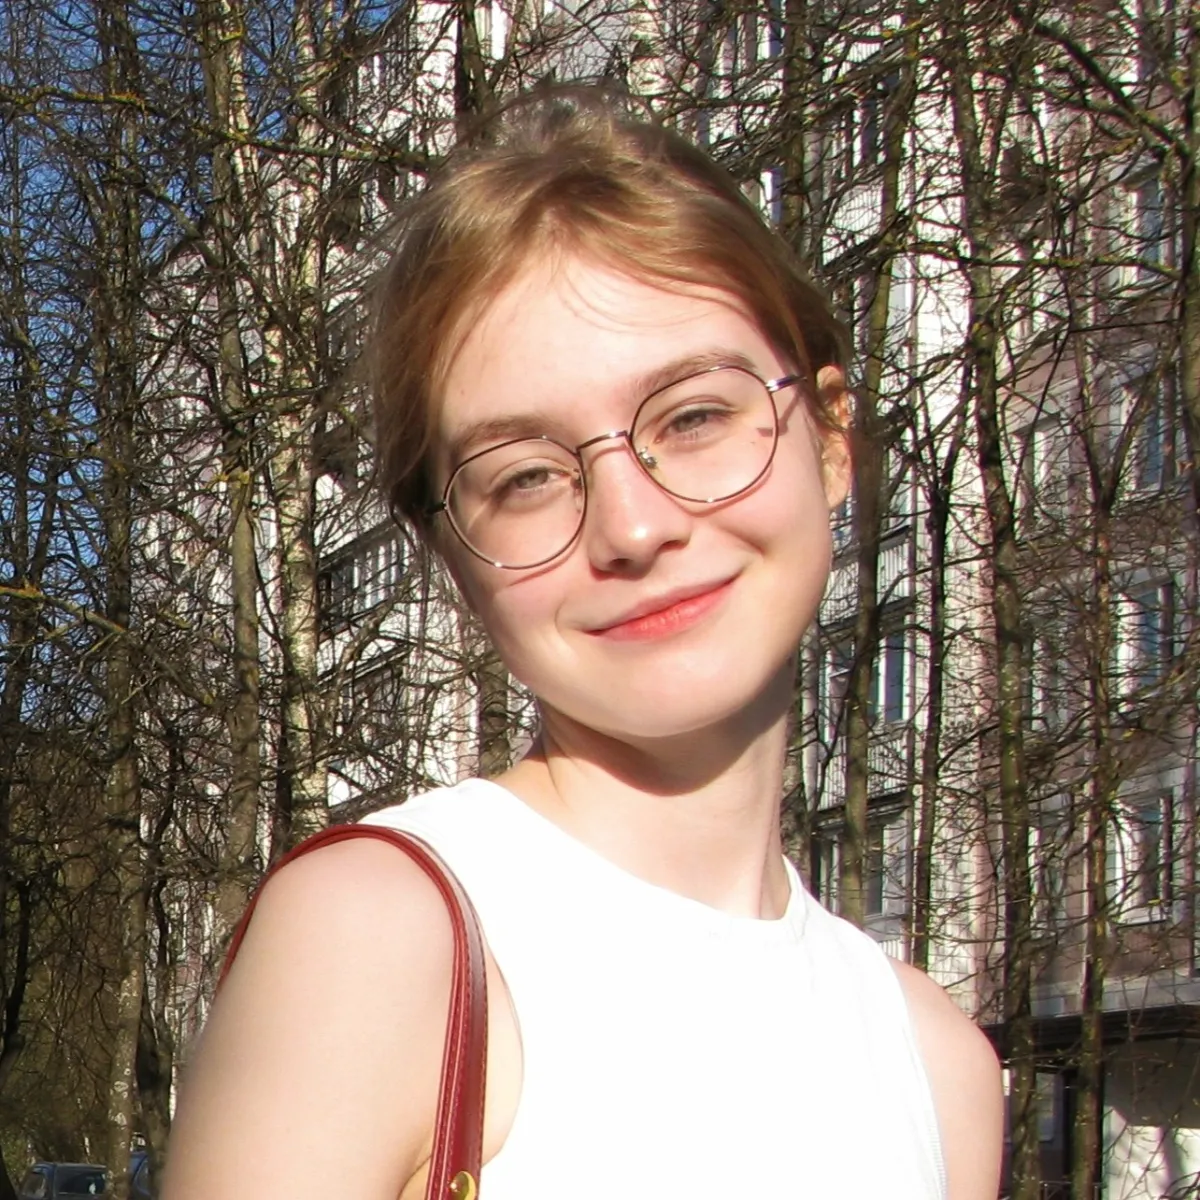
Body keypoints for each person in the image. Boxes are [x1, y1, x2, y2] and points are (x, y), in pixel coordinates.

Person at [163, 89, 1003, 1200]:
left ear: (831, 436)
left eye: (694, 417)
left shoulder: (937, 1066)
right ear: (453, 558)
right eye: (525, 477)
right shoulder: (382, 937)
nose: (634, 527)